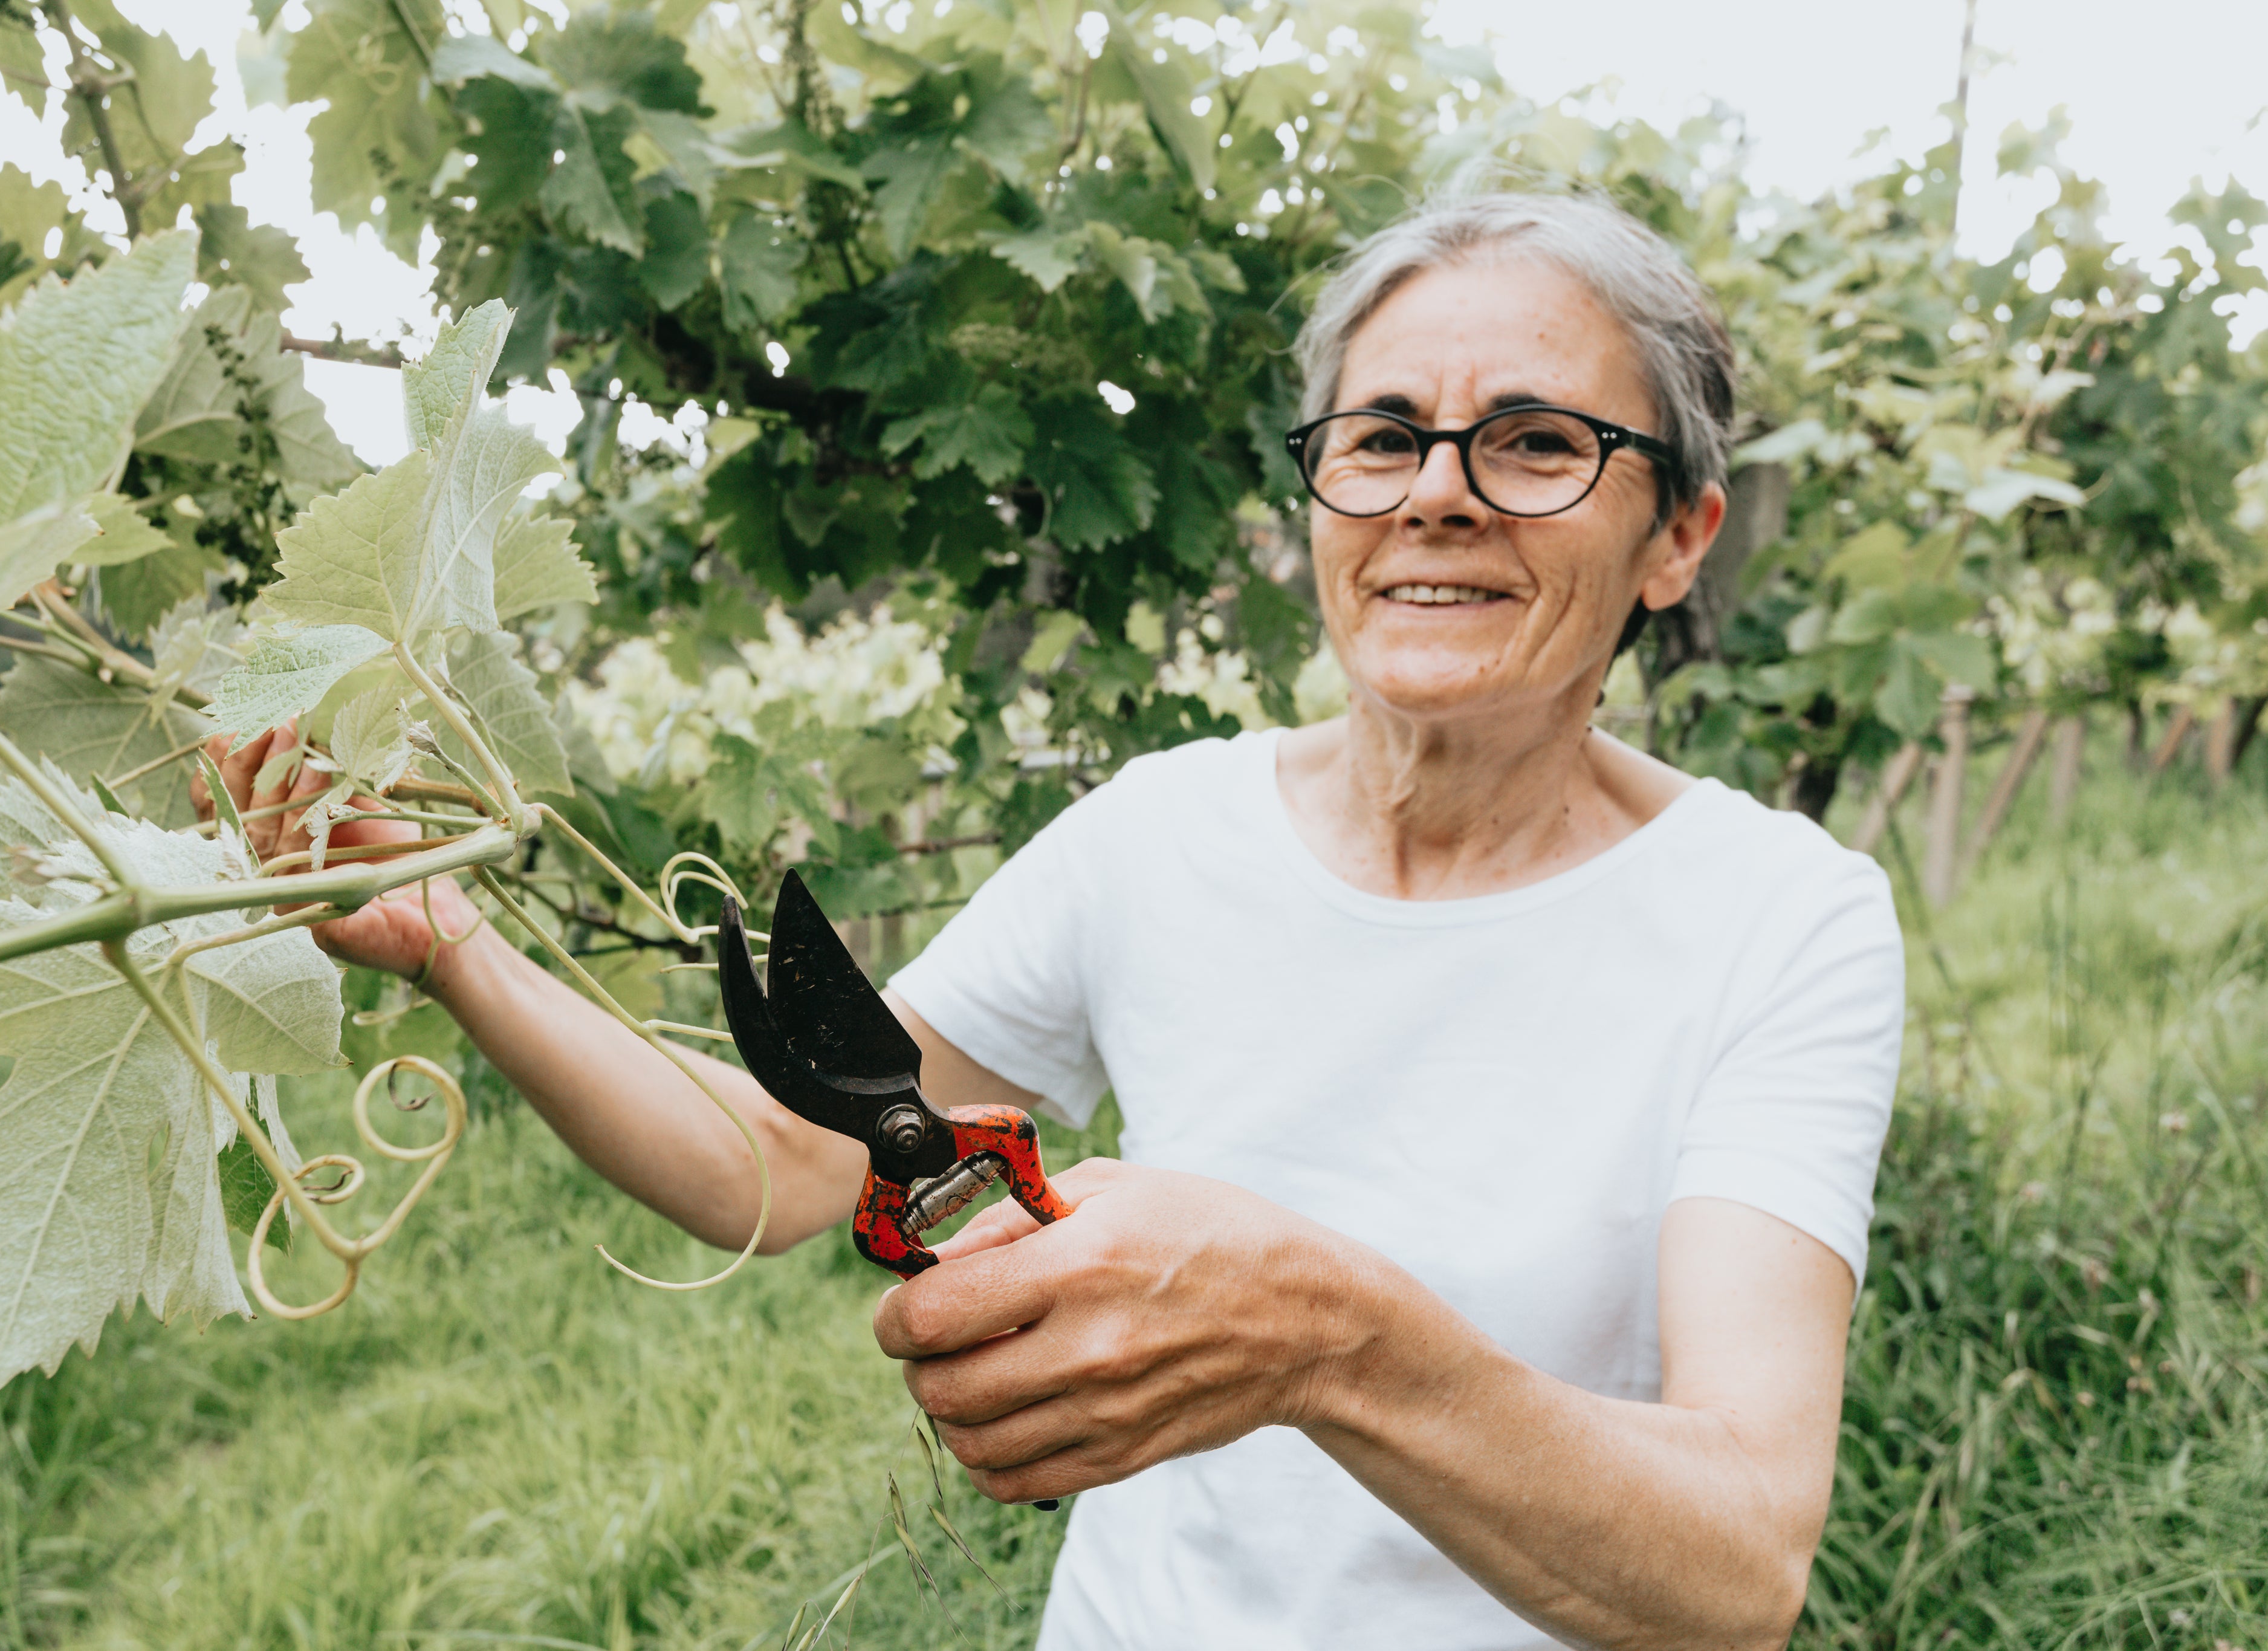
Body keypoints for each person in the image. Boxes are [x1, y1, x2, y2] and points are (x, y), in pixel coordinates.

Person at [201, 190, 1904, 1650]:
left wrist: (1327, 1331)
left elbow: (1737, 1562)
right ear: (1319, 498)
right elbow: (788, 1158)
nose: (1436, 493)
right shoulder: (1164, 833)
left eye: (1537, 440)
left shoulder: (1779, 919)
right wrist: (458, 945)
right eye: (1382, 436)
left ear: (1678, 533)